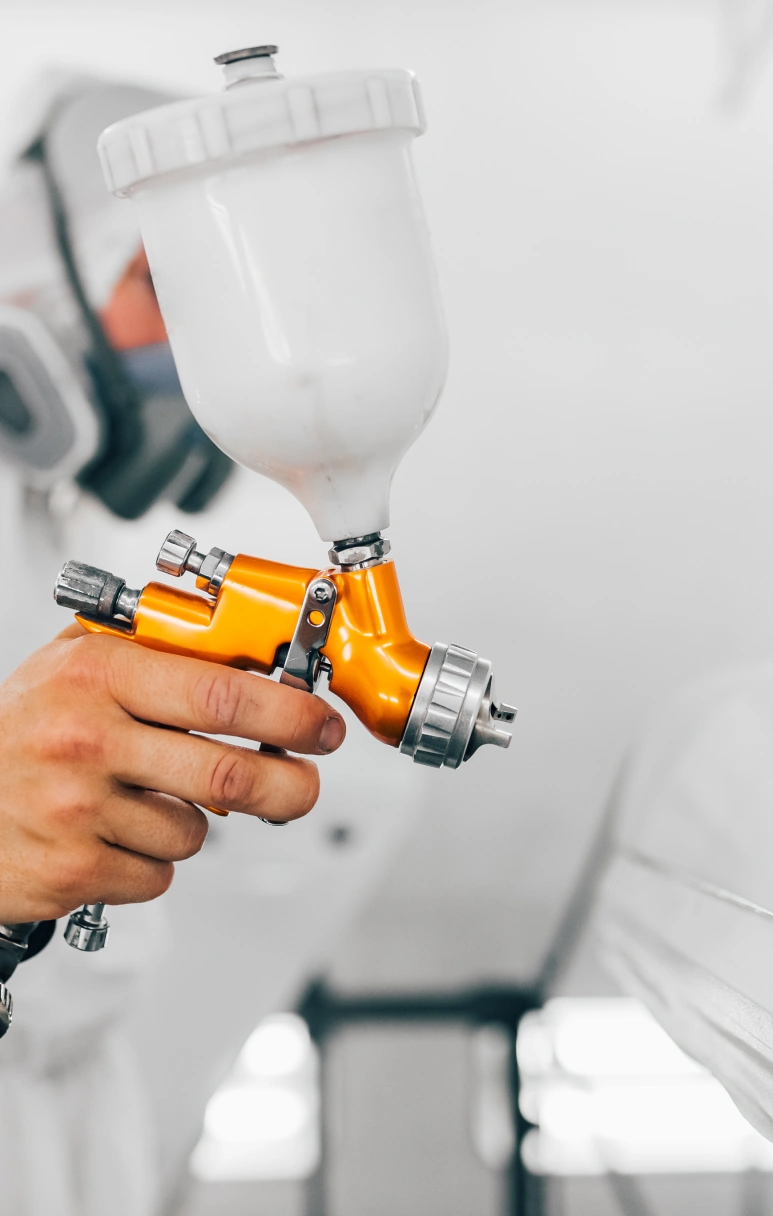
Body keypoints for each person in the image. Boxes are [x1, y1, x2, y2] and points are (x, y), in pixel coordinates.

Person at [0, 71, 346, 1216]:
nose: (191, 350)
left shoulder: (42, 512)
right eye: (159, 284)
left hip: (70, 1092)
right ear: (40, 271)